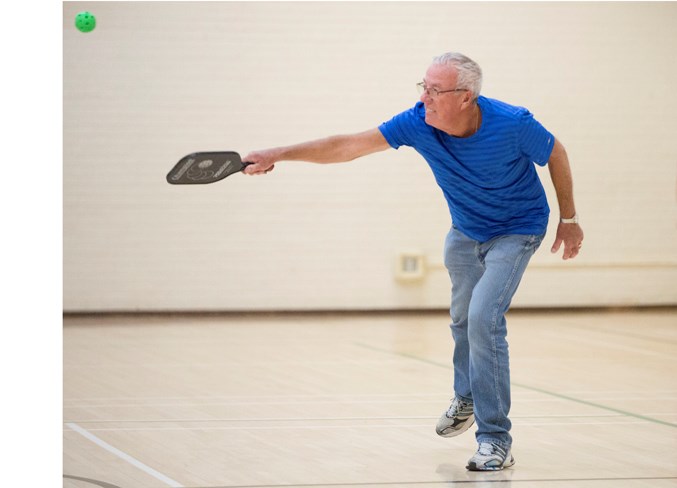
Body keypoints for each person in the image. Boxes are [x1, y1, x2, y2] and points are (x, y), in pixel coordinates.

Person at [242, 52, 584, 471]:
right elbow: (348, 146)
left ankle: (495, 439)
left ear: (466, 97)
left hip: (518, 230)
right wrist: (276, 153)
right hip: (465, 232)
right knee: (461, 318)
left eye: (435, 90)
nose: (425, 98)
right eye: (422, 87)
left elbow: (557, 152)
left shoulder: (514, 123)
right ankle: (468, 396)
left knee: (482, 318)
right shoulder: (418, 121)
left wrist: (569, 218)